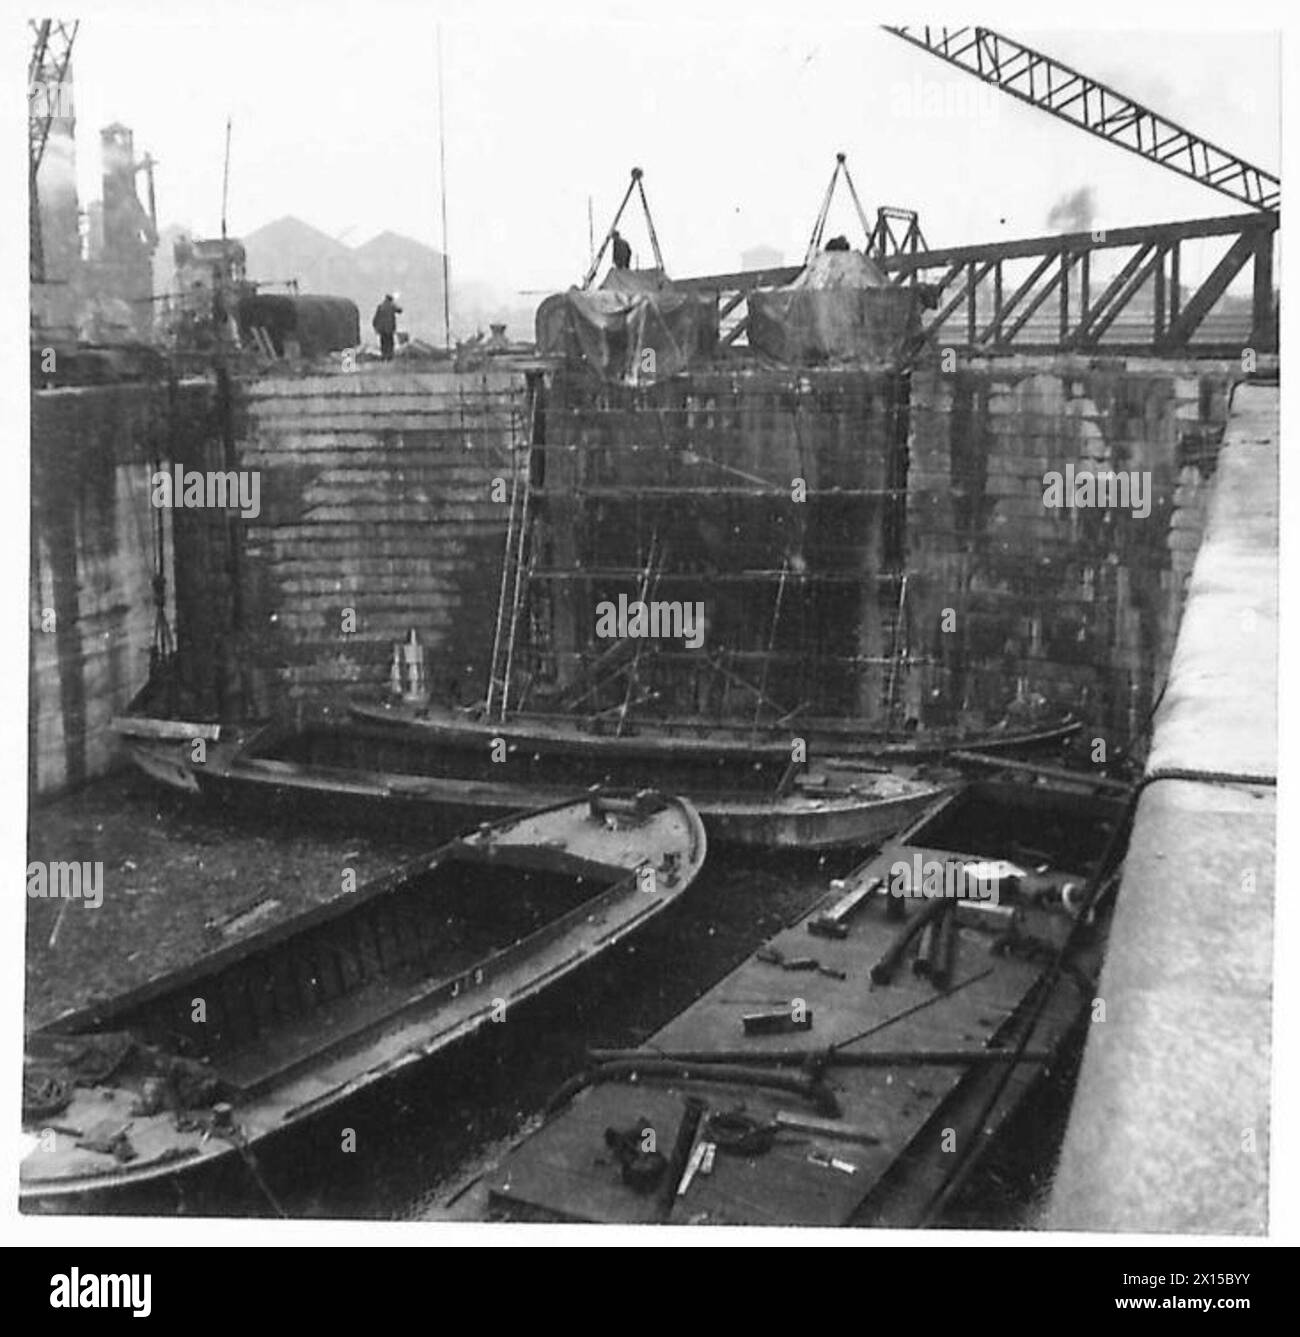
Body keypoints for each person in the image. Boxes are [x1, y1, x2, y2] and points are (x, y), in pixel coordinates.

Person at [372, 294, 402, 360]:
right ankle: (389, 356)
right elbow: (400, 311)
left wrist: (375, 327)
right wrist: (395, 304)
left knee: (383, 343)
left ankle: (383, 356)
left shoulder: (380, 306)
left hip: (382, 329)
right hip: (389, 328)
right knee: (390, 343)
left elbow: (376, 318)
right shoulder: (392, 306)